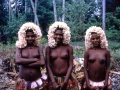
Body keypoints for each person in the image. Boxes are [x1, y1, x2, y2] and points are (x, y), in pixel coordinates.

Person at [46, 22, 79, 90]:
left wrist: (65, 82)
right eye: (56, 34)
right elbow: (48, 65)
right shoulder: (48, 48)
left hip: (68, 78)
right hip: (53, 78)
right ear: (52, 34)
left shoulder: (69, 48)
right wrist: (53, 82)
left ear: (64, 35)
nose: (58, 36)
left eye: (61, 35)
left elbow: (70, 65)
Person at [15, 22, 48, 90]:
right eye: (28, 36)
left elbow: (42, 63)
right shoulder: (20, 47)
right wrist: (35, 60)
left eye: (32, 36)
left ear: (36, 36)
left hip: (37, 81)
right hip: (23, 81)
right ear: (24, 37)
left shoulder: (39, 48)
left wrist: (24, 62)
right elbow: (18, 60)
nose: (30, 38)